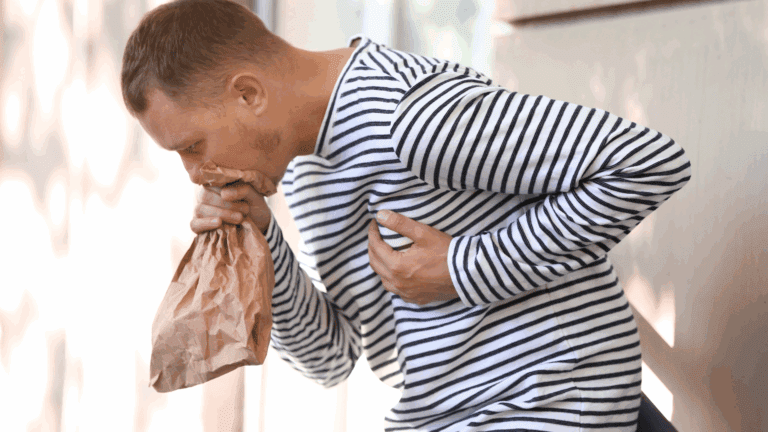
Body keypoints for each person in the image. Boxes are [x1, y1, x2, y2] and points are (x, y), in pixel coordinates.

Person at [121, 1, 691, 430]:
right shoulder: (307, 167)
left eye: (192, 146)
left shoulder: (408, 116)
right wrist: (266, 244)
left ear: (248, 94)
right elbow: (330, 358)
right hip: (440, 416)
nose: (195, 174)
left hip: (543, 403)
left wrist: (460, 268)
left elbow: (645, 164)